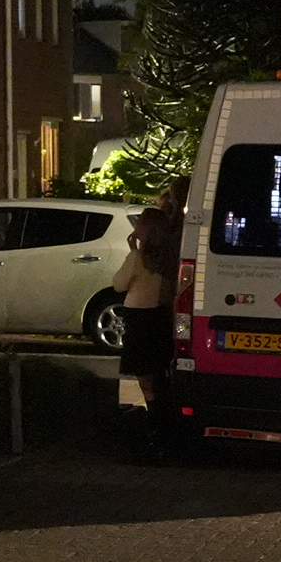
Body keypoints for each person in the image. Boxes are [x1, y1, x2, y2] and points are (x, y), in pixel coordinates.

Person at [111, 176, 190, 412]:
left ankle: (156, 417)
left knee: (144, 377)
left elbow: (118, 284)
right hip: (160, 316)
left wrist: (133, 251)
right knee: (159, 372)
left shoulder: (137, 258)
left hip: (139, 318)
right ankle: (164, 415)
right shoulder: (169, 257)